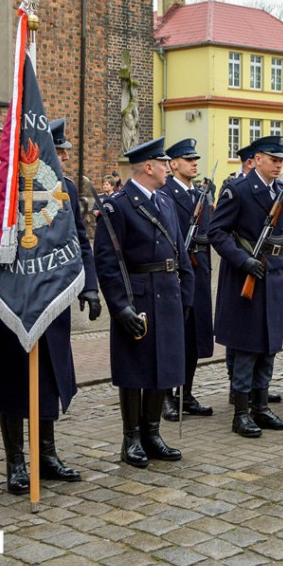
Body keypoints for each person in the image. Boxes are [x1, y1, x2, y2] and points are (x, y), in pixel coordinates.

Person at [0, 119, 100, 491]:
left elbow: (79, 241)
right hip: (10, 303)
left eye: (61, 152)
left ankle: (46, 454)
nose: (62, 157)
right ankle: (15, 462)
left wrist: (88, 287)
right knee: (12, 381)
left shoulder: (67, 189)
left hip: (50, 299)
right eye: (58, 151)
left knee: (47, 378)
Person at [95, 137, 192, 466]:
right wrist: (120, 306)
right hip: (138, 293)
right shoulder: (118, 205)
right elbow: (107, 263)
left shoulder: (165, 202)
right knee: (135, 368)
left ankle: (153, 433)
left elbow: (180, 252)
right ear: (148, 166)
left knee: (163, 366)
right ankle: (131, 438)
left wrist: (187, 294)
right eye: (163, 162)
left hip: (167, 292)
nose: (169, 167)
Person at [208, 136, 283, 438]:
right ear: (257, 159)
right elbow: (216, 232)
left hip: (273, 277)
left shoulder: (282, 192)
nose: (278, 164)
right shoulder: (239, 190)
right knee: (246, 349)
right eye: (273, 159)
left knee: (269, 347)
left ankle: (262, 407)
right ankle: (241, 413)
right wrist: (242, 260)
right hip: (246, 277)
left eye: (281, 160)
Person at [157, 138, 215, 421]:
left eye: (196, 159)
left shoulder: (200, 195)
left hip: (199, 271)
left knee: (194, 336)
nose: (194, 163)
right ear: (173, 164)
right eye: (188, 159)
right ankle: (168, 396)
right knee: (175, 335)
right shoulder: (165, 194)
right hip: (178, 271)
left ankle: (187, 392)